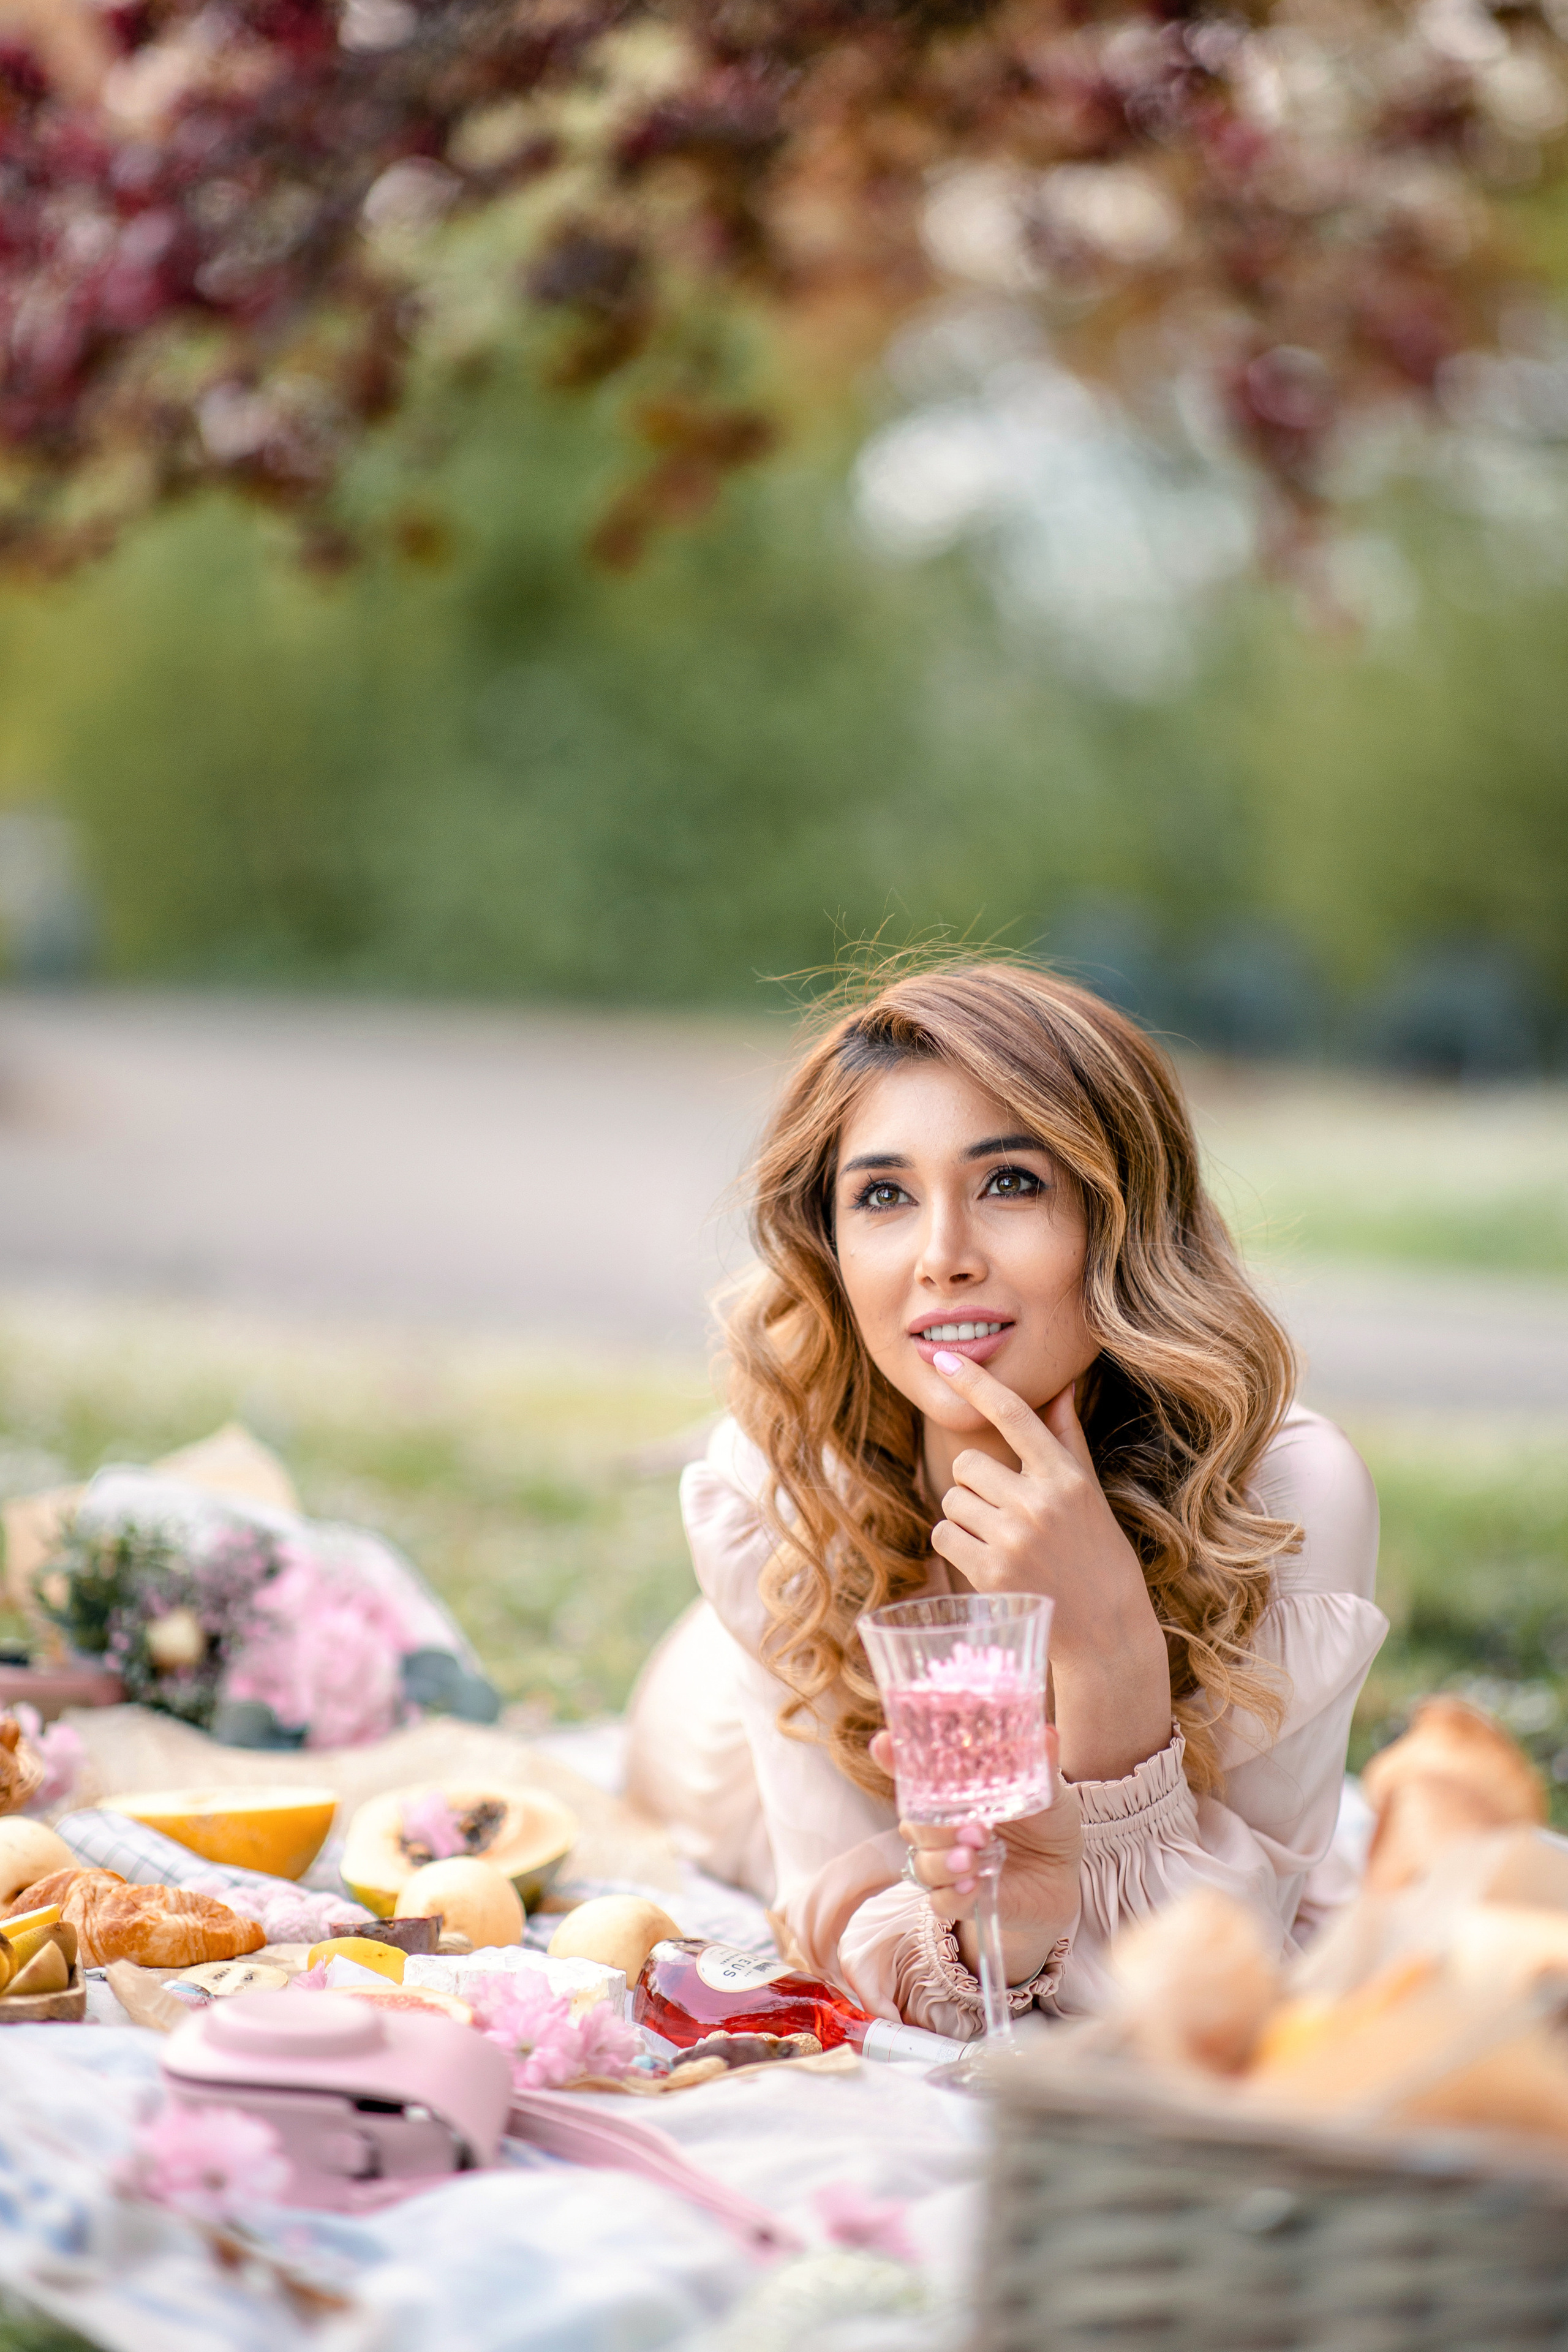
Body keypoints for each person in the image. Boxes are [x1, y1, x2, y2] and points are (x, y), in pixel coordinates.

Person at [625, 961, 1384, 2038]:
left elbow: (1208, 1984)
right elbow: (850, 1931)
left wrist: (1107, 1641)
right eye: (883, 1195)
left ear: (1121, 1219)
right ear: (832, 1246)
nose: (942, 1259)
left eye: (1011, 1183)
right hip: (705, 1744)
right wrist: (999, 1938)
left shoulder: (1283, 1498)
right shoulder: (773, 1490)